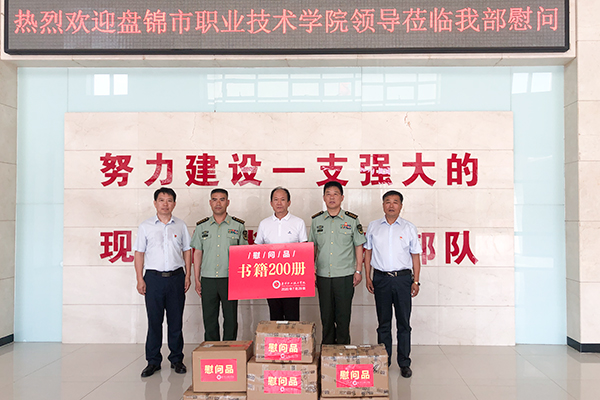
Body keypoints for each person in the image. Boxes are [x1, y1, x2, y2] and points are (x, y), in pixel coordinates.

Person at [134, 187, 192, 378]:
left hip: (176, 278)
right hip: (153, 279)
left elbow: (187, 251)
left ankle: (176, 359)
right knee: (154, 322)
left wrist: (188, 275)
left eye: (169, 200)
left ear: (174, 204)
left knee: (175, 322)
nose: (165, 204)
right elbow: (139, 253)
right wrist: (140, 278)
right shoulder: (145, 226)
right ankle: (153, 361)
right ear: (155, 203)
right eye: (161, 200)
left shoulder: (180, 225)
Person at [363, 190, 422, 378]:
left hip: (403, 279)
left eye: (395, 202)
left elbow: (415, 256)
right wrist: (368, 277)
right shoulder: (374, 227)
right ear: (383, 205)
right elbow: (368, 253)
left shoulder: (409, 228)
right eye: (387, 201)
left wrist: (416, 280)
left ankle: (404, 362)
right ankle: (384, 362)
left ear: (401, 206)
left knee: (404, 323)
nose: (391, 205)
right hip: (381, 279)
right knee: (383, 323)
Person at [309, 181, 366, 345]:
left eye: (335, 194)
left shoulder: (352, 220)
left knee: (343, 317)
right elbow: (313, 247)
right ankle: (327, 351)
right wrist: (311, 271)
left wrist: (358, 270)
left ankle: (342, 351)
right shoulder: (316, 221)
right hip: (323, 275)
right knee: (326, 317)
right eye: (328, 194)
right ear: (323, 198)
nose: (332, 197)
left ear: (342, 197)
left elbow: (358, 246)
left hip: (345, 275)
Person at [191, 188, 248, 341]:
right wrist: (196, 279)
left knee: (230, 318)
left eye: (222, 199)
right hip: (208, 278)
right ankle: (212, 349)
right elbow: (197, 253)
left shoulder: (238, 226)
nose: (218, 203)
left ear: (227, 202)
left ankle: (229, 349)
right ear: (210, 203)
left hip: (230, 279)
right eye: (215, 199)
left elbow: (243, 253)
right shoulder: (202, 226)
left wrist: (241, 279)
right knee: (209, 318)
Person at [255, 187, 308, 321]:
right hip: (271, 277)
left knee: (292, 316)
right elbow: (257, 249)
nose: (279, 203)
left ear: (289, 202)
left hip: (292, 278)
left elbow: (304, 250)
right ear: (271, 203)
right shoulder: (264, 224)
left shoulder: (298, 222)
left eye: (283, 199)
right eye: (276, 200)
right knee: (275, 316)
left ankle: (293, 336)